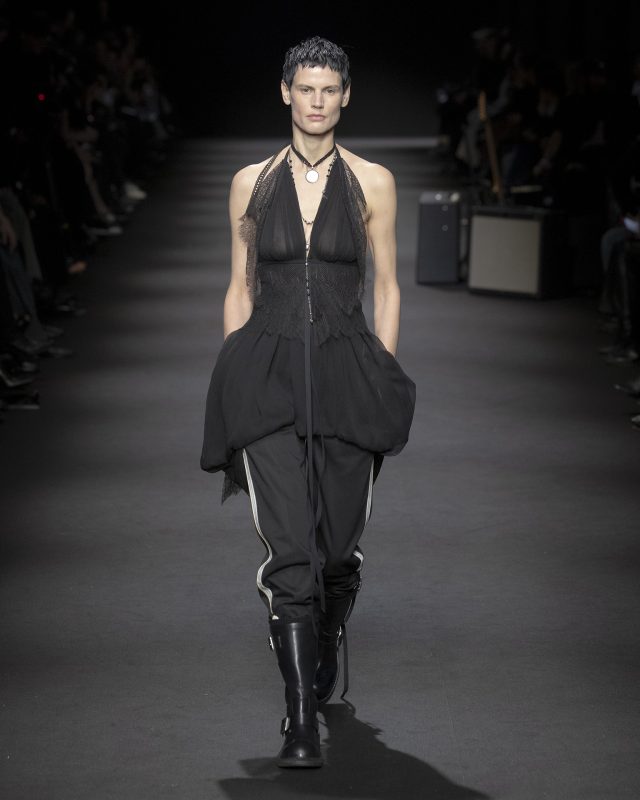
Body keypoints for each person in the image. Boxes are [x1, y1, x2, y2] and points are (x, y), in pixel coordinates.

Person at [200, 36, 416, 768]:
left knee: (333, 554)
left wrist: (382, 369)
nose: (318, 101)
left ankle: (327, 634)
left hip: (349, 371)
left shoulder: (374, 183)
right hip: (266, 374)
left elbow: (386, 284)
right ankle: (298, 724)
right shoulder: (249, 183)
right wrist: (234, 369)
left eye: (330, 90)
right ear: (285, 92)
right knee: (289, 555)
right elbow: (240, 281)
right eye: (306, 88)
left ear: (345, 96)